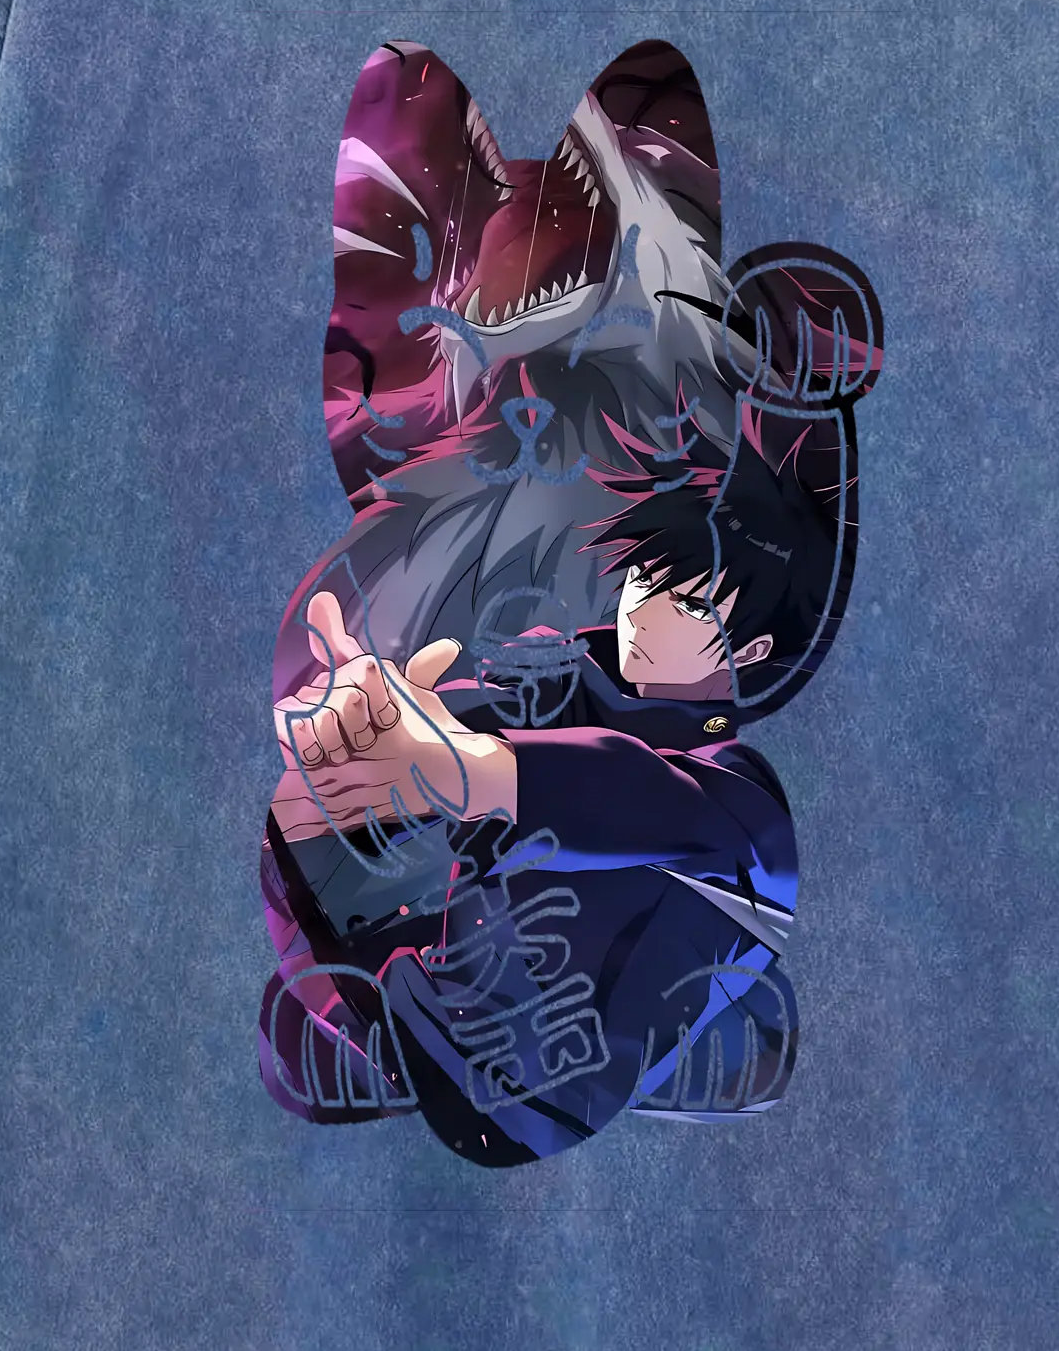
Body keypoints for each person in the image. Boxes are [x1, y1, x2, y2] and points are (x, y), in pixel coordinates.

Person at [258, 446, 845, 1164]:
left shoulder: (747, 807)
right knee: (302, 878)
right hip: (434, 1008)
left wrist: (476, 770)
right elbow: (449, 727)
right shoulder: (555, 679)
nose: (644, 614)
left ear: (748, 651)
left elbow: (637, 792)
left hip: (535, 1096)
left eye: (690, 604)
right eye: (643, 577)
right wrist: (371, 722)